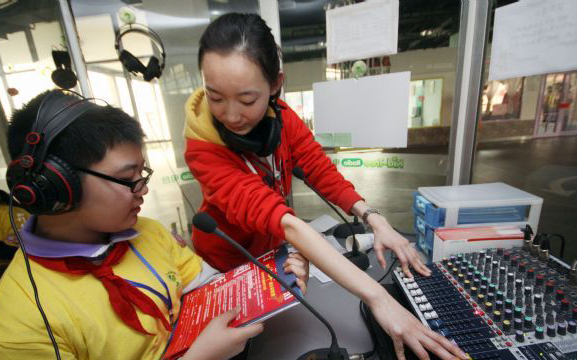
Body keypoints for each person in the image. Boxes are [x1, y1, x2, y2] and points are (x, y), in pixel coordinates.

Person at [184, 12, 467, 360]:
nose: (230, 115)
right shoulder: (203, 151)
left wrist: (374, 219)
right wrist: (377, 299)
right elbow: (282, 220)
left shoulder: (281, 117)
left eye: (246, 100)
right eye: (215, 98)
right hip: (228, 268)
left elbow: (319, 169)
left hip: (274, 252)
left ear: (276, 86)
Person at [0, 90, 309, 360]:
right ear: (57, 187)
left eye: (141, 174)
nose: (143, 190)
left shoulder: (149, 232)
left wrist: (268, 281)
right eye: (125, 179)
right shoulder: (20, 315)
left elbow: (209, 288)